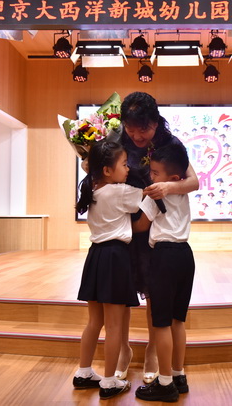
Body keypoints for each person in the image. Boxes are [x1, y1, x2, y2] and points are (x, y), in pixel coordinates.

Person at [115, 92, 200, 384]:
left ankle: (153, 350)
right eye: (130, 129)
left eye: (143, 129)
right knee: (121, 292)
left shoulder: (169, 144)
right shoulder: (117, 139)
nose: (137, 136)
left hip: (154, 226)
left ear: (155, 122)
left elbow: (193, 182)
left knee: (155, 294)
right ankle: (123, 349)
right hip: (125, 223)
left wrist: (166, 188)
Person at [72, 141, 143, 400]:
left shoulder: (94, 188)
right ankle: (110, 381)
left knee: (94, 322)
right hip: (115, 257)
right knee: (114, 326)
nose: (128, 168)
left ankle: (84, 372)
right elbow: (145, 194)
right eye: (124, 164)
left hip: (96, 256)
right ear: (107, 170)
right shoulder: (120, 191)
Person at [133, 142, 196, 402]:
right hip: (185, 255)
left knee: (160, 323)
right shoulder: (182, 192)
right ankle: (179, 376)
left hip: (163, 257)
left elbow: (140, 226)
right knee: (178, 320)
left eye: (155, 173)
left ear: (173, 177)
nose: (151, 177)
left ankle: (165, 383)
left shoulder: (155, 195)